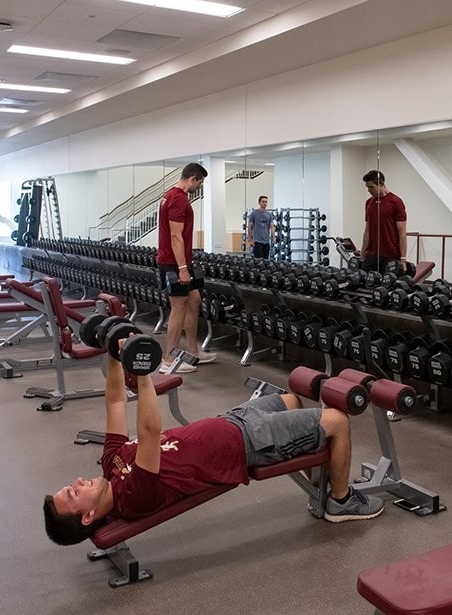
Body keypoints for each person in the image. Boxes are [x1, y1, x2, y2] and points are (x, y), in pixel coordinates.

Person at [43, 355, 385, 545]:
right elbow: (148, 432)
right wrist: (144, 374)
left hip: (233, 420)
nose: (76, 481)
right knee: (338, 420)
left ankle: (318, 490)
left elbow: (116, 401)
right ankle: (340, 502)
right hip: (251, 442)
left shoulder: (110, 466)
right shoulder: (135, 497)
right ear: (88, 516)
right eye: (73, 494)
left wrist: (116, 355)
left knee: (291, 399)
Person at [156, 163, 216, 373]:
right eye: (200, 182)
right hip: (174, 262)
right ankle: (168, 360)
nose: (200, 186)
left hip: (182, 261)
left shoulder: (169, 195)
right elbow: (175, 236)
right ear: (193, 179)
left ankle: (192, 350)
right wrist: (182, 267)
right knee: (178, 307)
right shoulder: (178, 199)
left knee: (194, 300)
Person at [360, 170, 407, 274]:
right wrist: (362, 253)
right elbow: (367, 230)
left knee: (387, 289)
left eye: (371, 187)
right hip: (371, 256)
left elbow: (402, 232)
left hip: (390, 256)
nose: (368, 190)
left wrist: (403, 258)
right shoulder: (369, 203)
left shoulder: (396, 202)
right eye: (367, 187)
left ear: (381, 184)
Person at [246, 195, 275, 259]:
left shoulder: (269, 215)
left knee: (266, 261)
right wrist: (250, 239)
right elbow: (250, 227)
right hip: (257, 241)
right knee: (259, 262)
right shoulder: (254, 214)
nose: (265, 203)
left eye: (266, 202)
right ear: (259, 202)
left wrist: (274, 237)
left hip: (266, 242)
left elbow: (272, 226)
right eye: (263, 201)